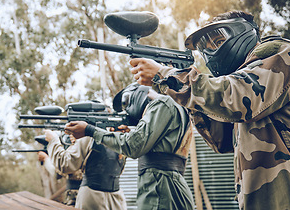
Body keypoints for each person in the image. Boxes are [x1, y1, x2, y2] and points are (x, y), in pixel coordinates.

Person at [128, 10, 290, 209]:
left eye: (218, 40)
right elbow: (221, 140)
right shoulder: (240, 84)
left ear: (244, 33)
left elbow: (239, 98)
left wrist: (167, 76)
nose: (212, 51)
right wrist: (191, 98)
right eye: (206, 48)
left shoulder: (280, 51)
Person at [65, 82, 195, 210]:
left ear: (136, 96)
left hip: (159, 187)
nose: (126, 110)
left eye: (126, 104)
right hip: (172, 186)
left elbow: (133, 146)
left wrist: (90, 131)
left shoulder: (161, 104)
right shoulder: (177, 107)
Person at [44, 127, 127, 210]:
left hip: (93, 196)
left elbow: (64, 164)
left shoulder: (88, 133)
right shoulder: (119, 135)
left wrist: (53, 140)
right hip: (115, 196)